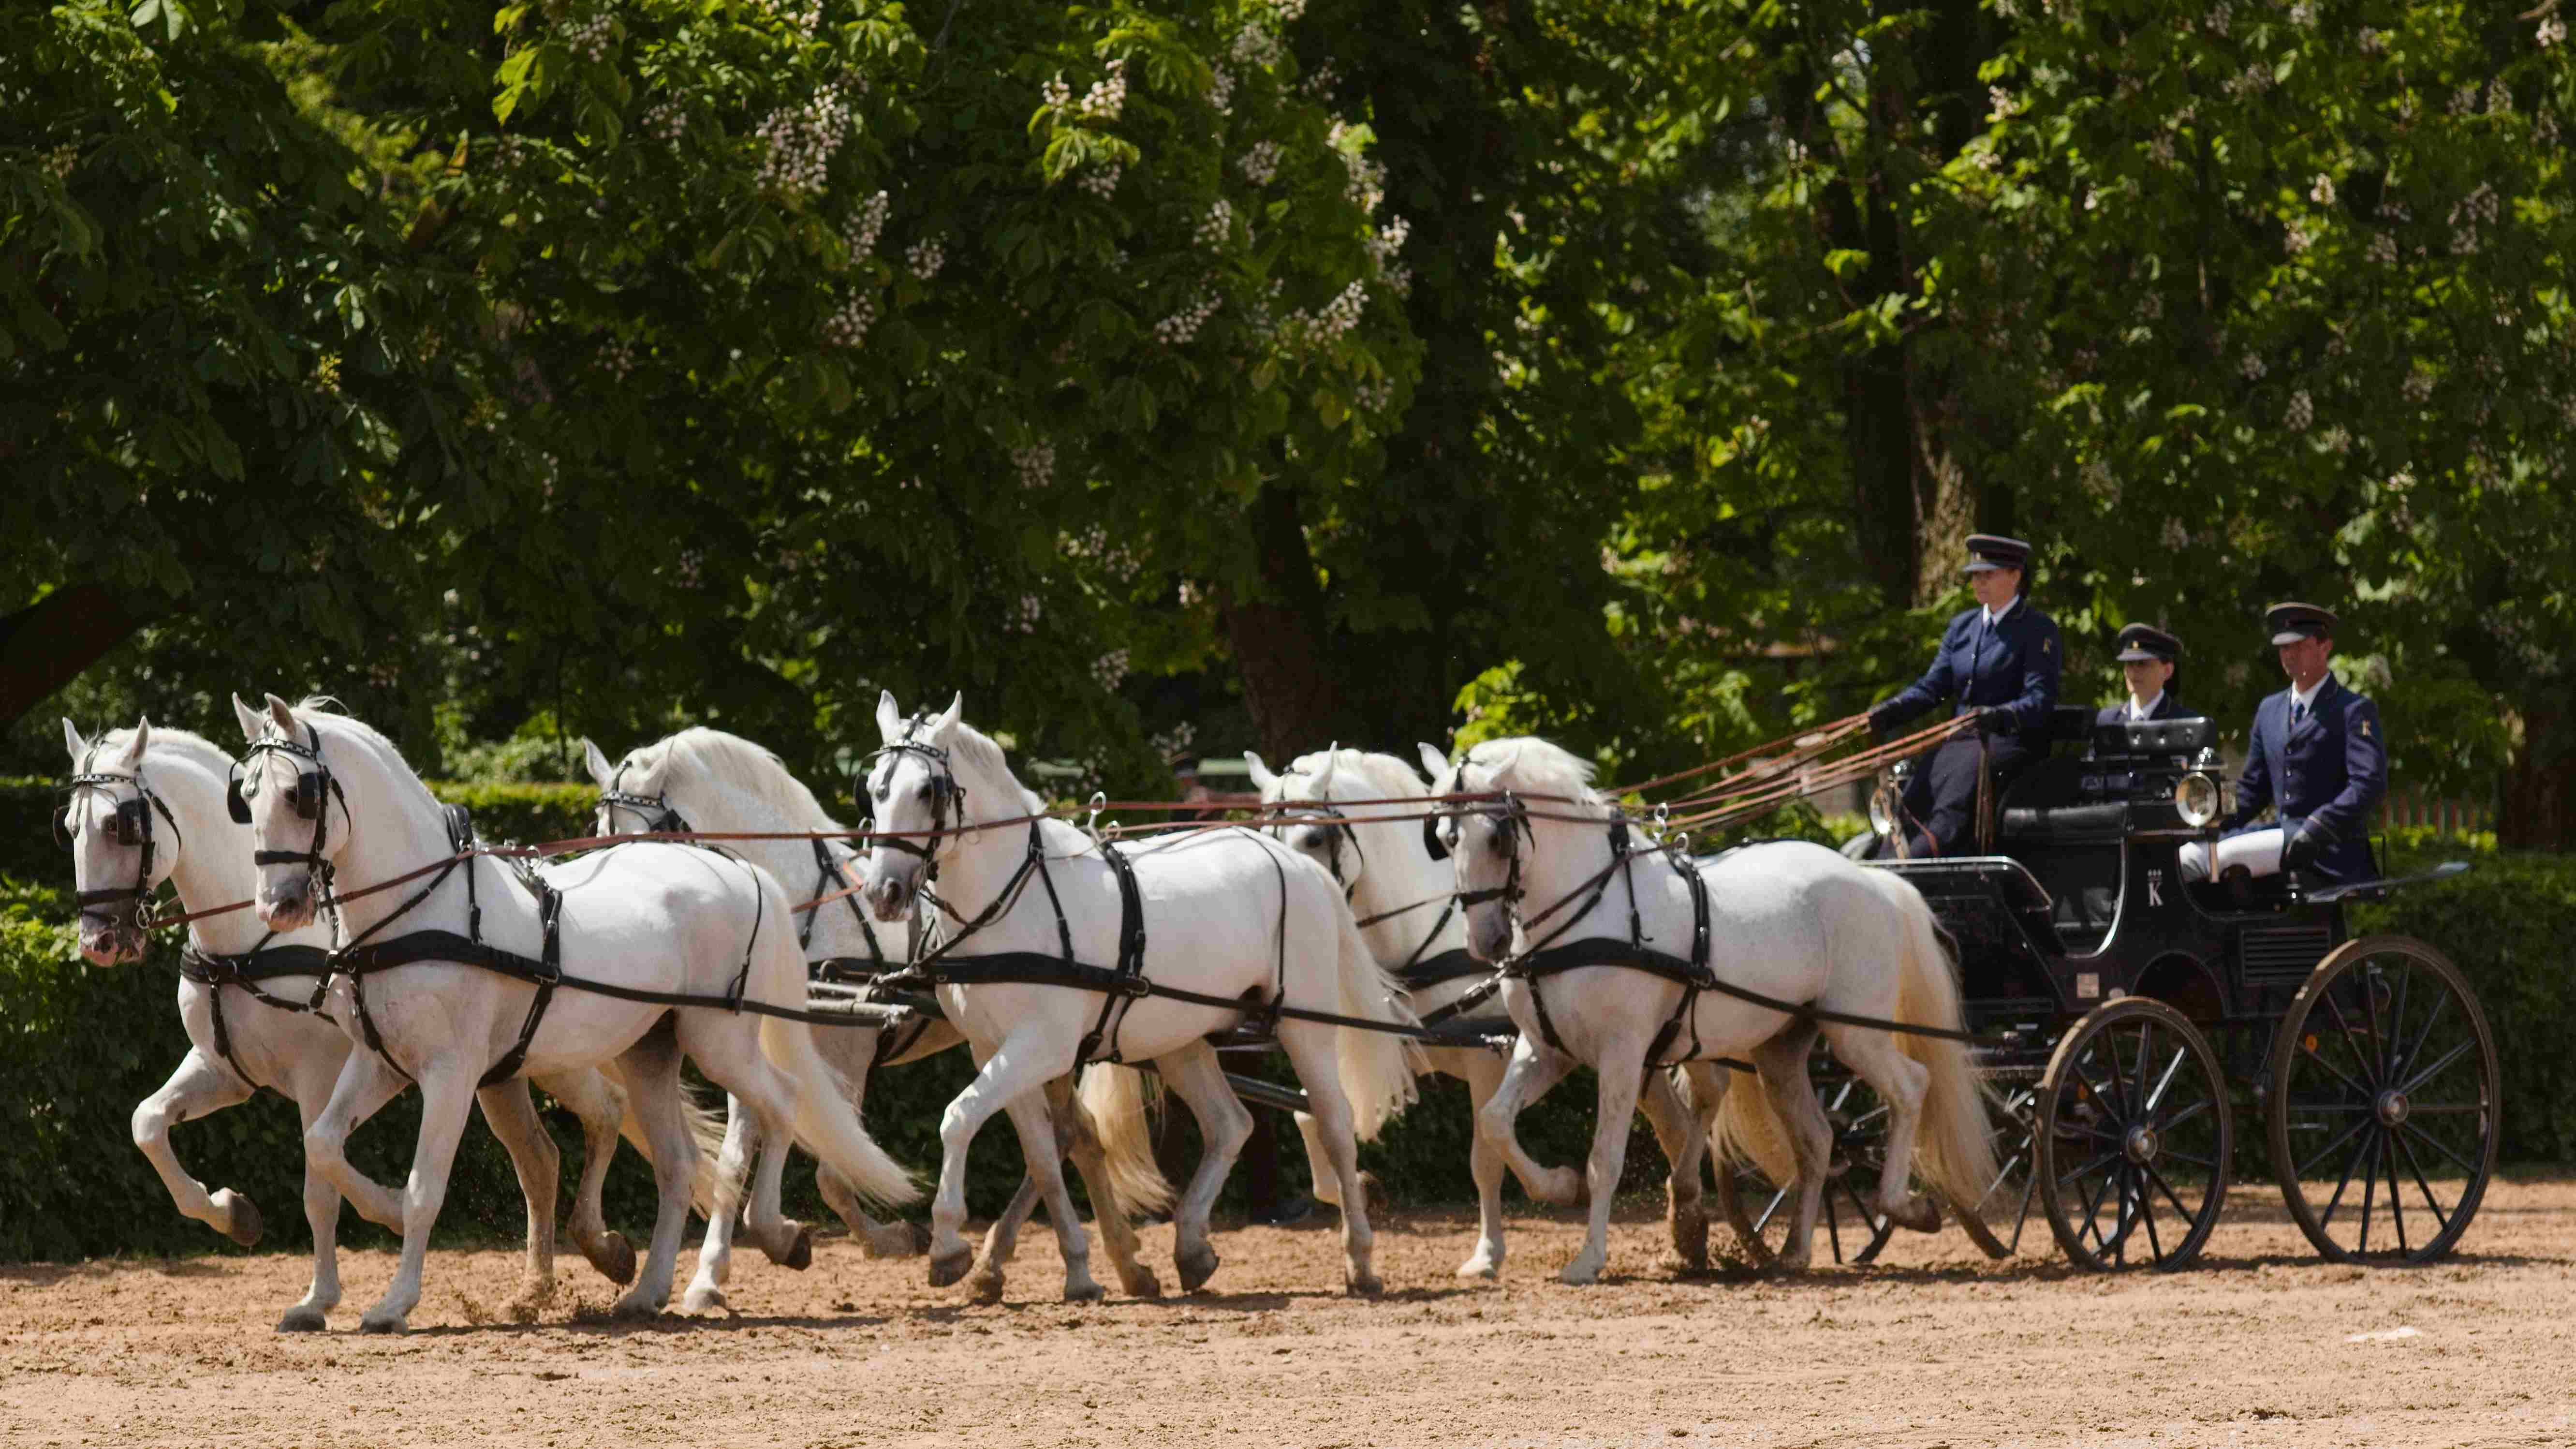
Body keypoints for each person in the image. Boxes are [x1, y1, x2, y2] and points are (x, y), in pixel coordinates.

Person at [1868, 534, 2062, 858]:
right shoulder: (1962, 628)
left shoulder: (2037, 629)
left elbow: (2039, 699)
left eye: (1988, 574)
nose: (1978, 581)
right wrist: (1888, 712)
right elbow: (1933, 686)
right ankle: (1888, 863)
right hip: (1959, 743)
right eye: (1974, 575)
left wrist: (1998, 716)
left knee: (1953, 799)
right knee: (1916, 793)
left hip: (2006, 743)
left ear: (2015, 576)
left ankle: (1921, 862)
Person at [2180, 602, 2386, 885]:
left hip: (2330, 846)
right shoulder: (2270, 710)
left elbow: (2368, 785)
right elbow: (2253, 789)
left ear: (2325, 646)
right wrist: (2211, 818)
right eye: (2284, 648)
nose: (2289, 655)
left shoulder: (2352, 710)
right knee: (2185, 857)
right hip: (2280, 834)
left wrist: (2319, 825)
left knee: (2222, 856)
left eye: (2299, 646)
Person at [2098, 622, 2184, 727]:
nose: (2134, 671)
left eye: (2142, 664)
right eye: (2129, 663)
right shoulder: (2107, 722)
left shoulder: (2186, 724)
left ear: (2167, 671)